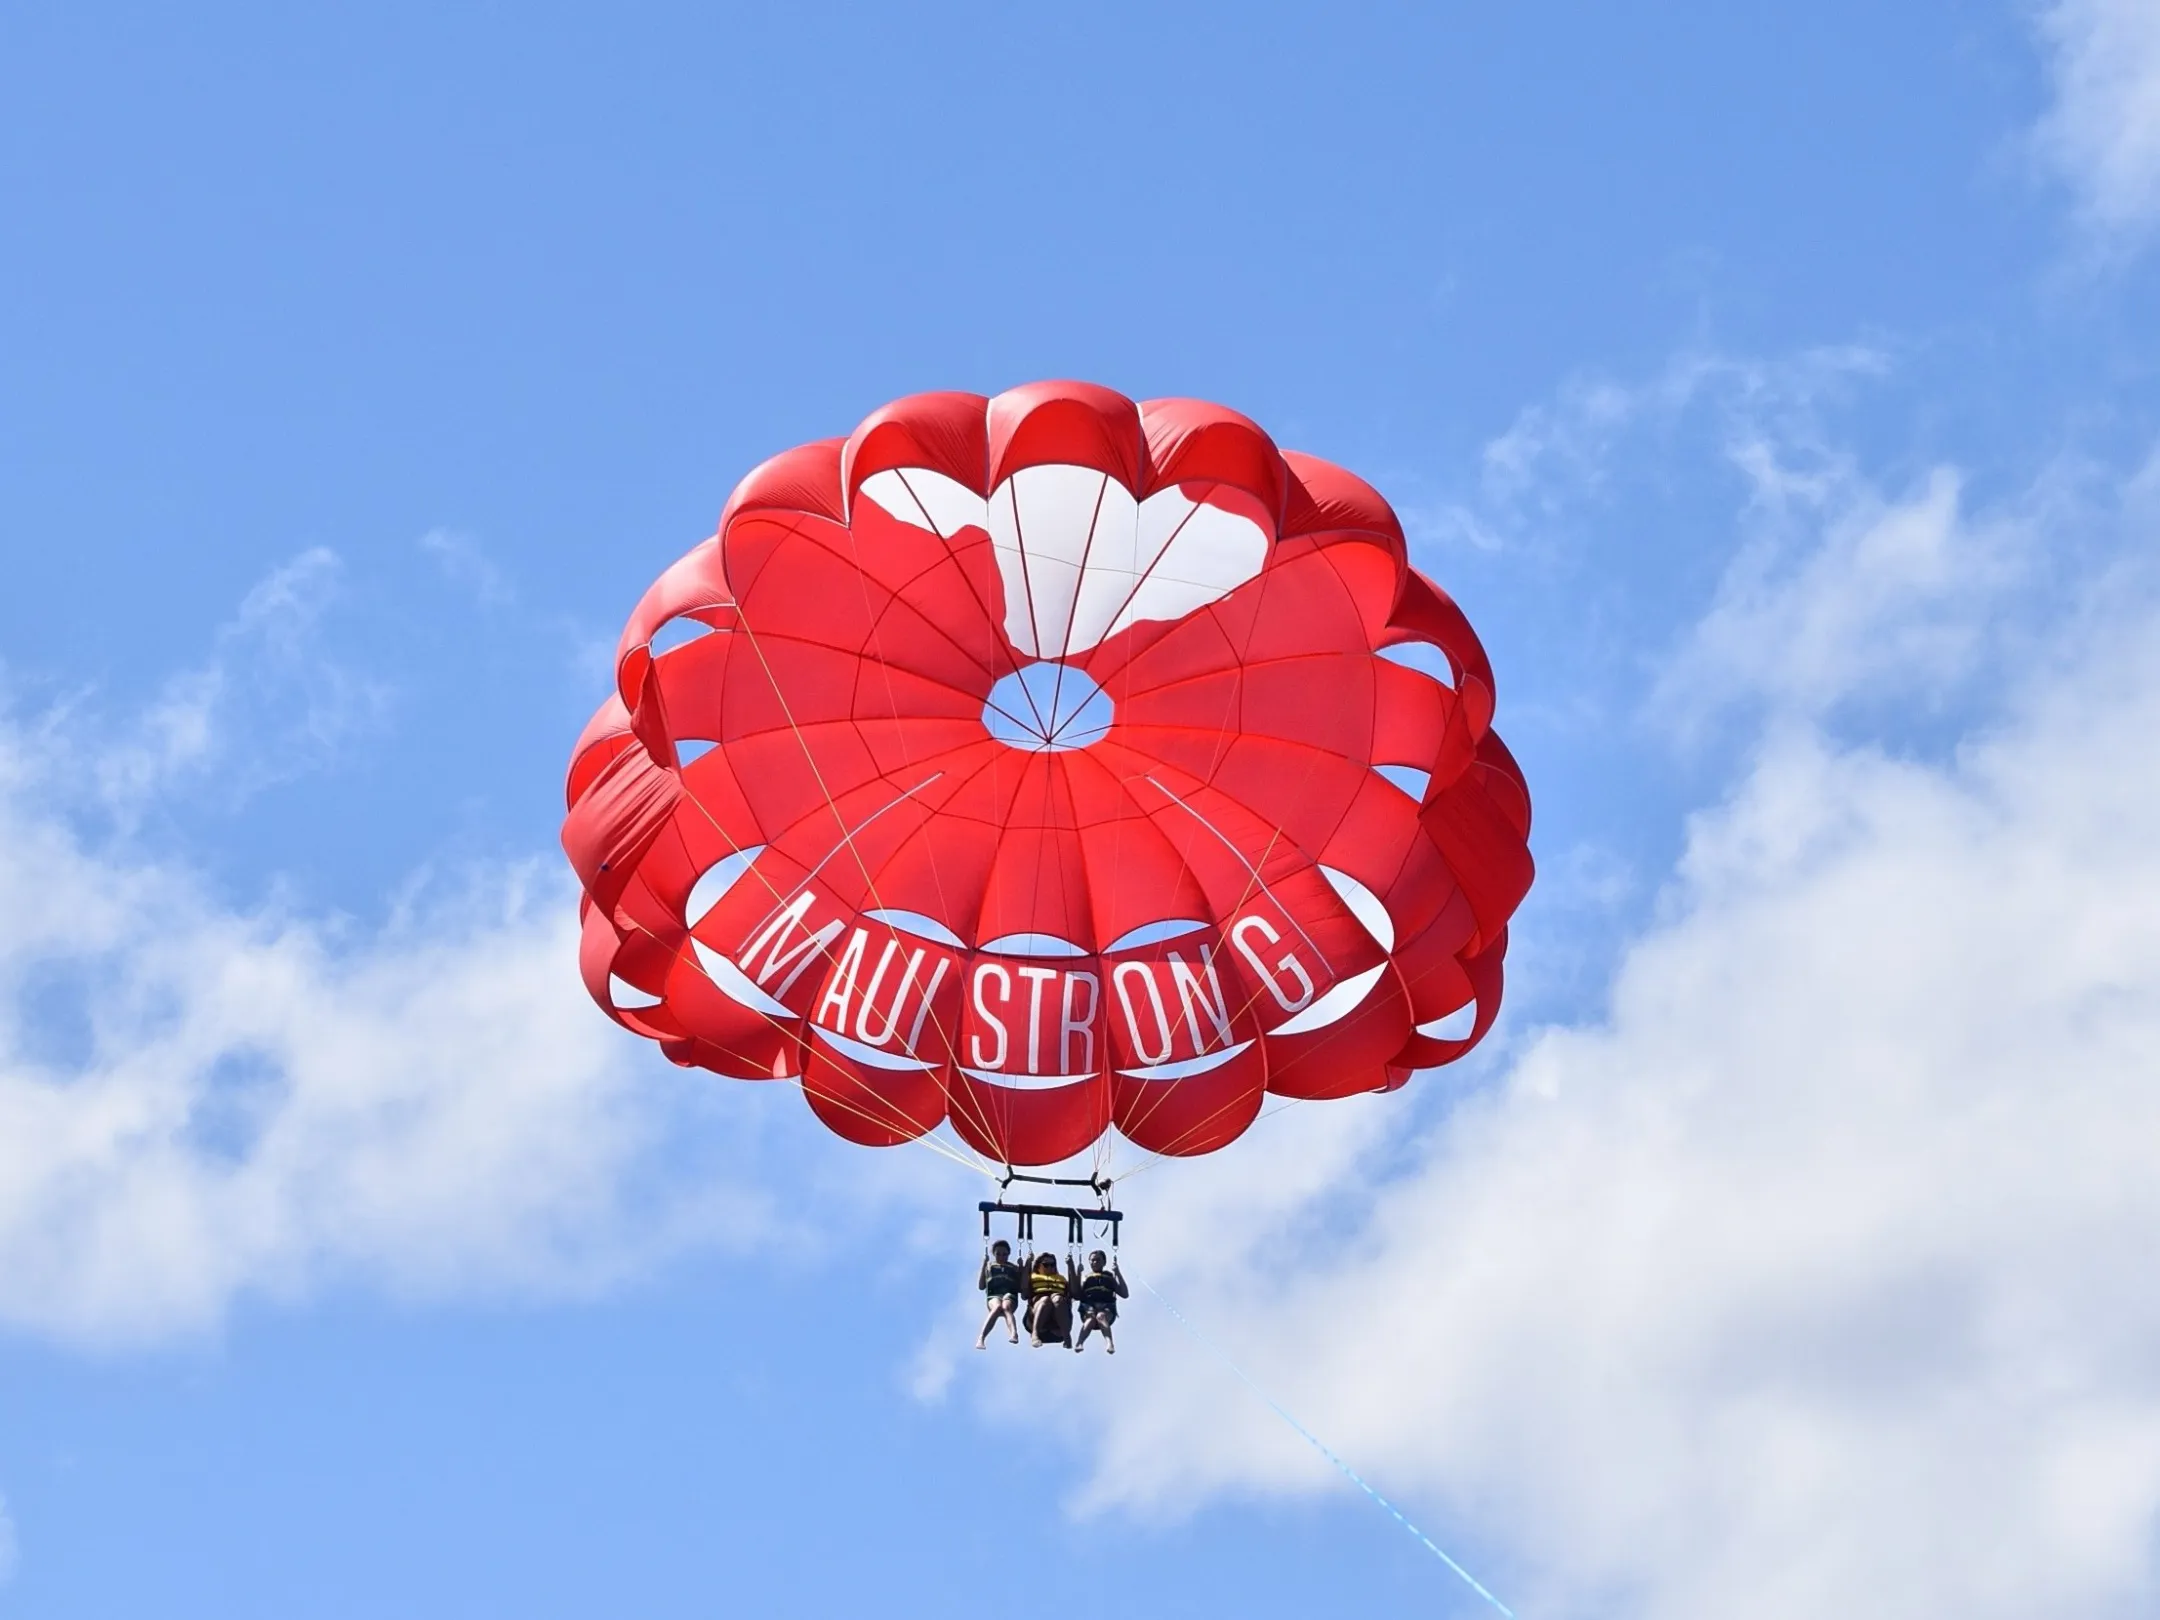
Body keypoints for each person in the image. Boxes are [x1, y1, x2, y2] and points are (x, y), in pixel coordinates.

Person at [1072, 1250, 1128, 1354]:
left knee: (1100, 1316)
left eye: (1097, 1260)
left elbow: (1125, 1294)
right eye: (1092, 1260)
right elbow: (1077, 1294)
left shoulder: (1110, 1277)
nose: (1095, 1262)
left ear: (1104, 1262)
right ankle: (1079, 1342)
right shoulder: (1086, 1278)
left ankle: (1110, 1343)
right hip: (1088, 1308)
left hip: (1106, 1308)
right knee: (1091, 1318)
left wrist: (1118, 1272)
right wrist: (1078, 1273)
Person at [975, 1240, 1023, 1348]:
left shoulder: (1013, 1268)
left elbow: (1021, 1288)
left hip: (1009, 1294)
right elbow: (981, 1286)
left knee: (1006, 1306)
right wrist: (984, 1264)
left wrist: (1022, 1268)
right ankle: (981, 1337)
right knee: (996, 1307)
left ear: (1008, 1254)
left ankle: (1014, 1333)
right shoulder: (989, 1266)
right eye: (998, 1254)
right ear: (994, 1254)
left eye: (1004, 1254)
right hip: (994, 1294)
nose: (1001, 1257)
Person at [1024, 1250, 1074, 1349]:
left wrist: (1071, 1267)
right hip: (1037, 1312)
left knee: (1058, 1298)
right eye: (1046, 1265)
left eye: (1052, 1264)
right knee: (1045, 1300)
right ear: (1038, 1266)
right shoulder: (1032, 1277)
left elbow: (1074, 1294)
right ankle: (1035, 1334)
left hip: (1058, 1318)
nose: (1050, 1267)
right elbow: (1024, 1292)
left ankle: (1067, 1336)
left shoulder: (1061, 1279)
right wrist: (1028, 1263)